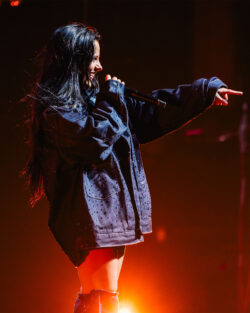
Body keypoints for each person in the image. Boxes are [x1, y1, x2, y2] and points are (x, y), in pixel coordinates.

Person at [24, 22, 243, 313]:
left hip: (106, 214)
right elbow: (94, 138)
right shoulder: (59, 114)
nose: (100, 66)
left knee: (99, 294)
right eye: (93, 58)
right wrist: (112, 97)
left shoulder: (97, 104)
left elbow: (153, 111)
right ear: (73, 60)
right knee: (101, 296)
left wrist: (203, 92)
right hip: (92, 217)